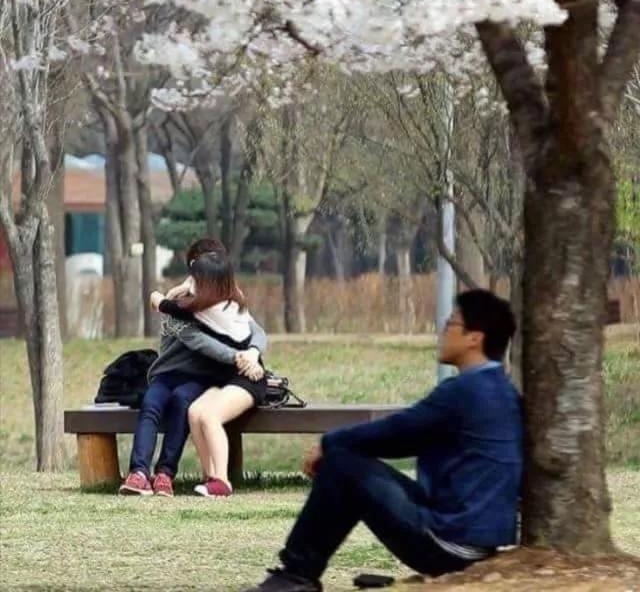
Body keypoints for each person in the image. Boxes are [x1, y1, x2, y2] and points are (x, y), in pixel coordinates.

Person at [243, 289, 522, 592]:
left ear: (474, 338)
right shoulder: (503, 391)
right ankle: (298, 574)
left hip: (450, 543)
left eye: (451, 324)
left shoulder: (465, 390)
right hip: (476, 541)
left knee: (342, 465)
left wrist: (328, 443)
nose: (442, 332)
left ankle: (297, 575)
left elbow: (397, 432)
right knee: (346, 460)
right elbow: (405, 440)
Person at [119, 242, 267, 498]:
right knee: (161, 406)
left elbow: (250, 333)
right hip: (184, 374)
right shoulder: (211, 299)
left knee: (192, 408)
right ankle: (141, 473)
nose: (192, 276)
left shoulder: (212, 305)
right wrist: (243, 357)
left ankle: (171, 474)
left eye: (198, 271)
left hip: (218, 377)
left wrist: (249, 355)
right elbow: (185, 324)